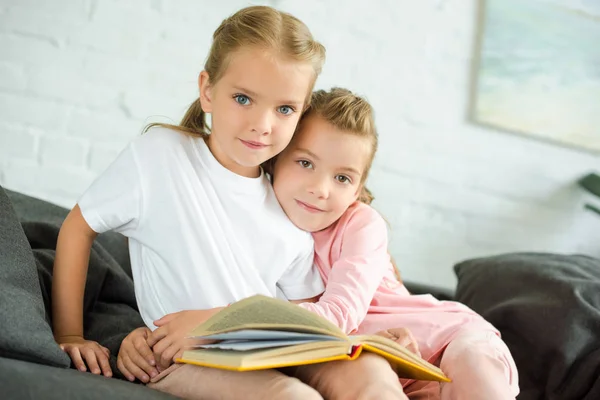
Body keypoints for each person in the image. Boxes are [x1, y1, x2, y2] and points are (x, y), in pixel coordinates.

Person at [52, 6, 406, 400]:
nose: (263, 124)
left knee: (371, 372)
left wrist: (368, 340)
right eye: (243, 98)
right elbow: (79, 227)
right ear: (207, 90)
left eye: (284, 109)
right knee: (292, 397)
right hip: (186, 358)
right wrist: (70, 334)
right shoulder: (161, 157)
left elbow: (307, 311)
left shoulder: (287, 201)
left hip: (274, 349)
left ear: (300, 113)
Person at [270, 87, 520, 399]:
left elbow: (340, 313)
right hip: (396, 373)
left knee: (472, 364)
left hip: (450, 339)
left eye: (342, 178)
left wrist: (256, 322)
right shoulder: (265, 226)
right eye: (306, 163)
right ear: (276, 158)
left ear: (358, 189)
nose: (321, 189)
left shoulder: (362, 224)